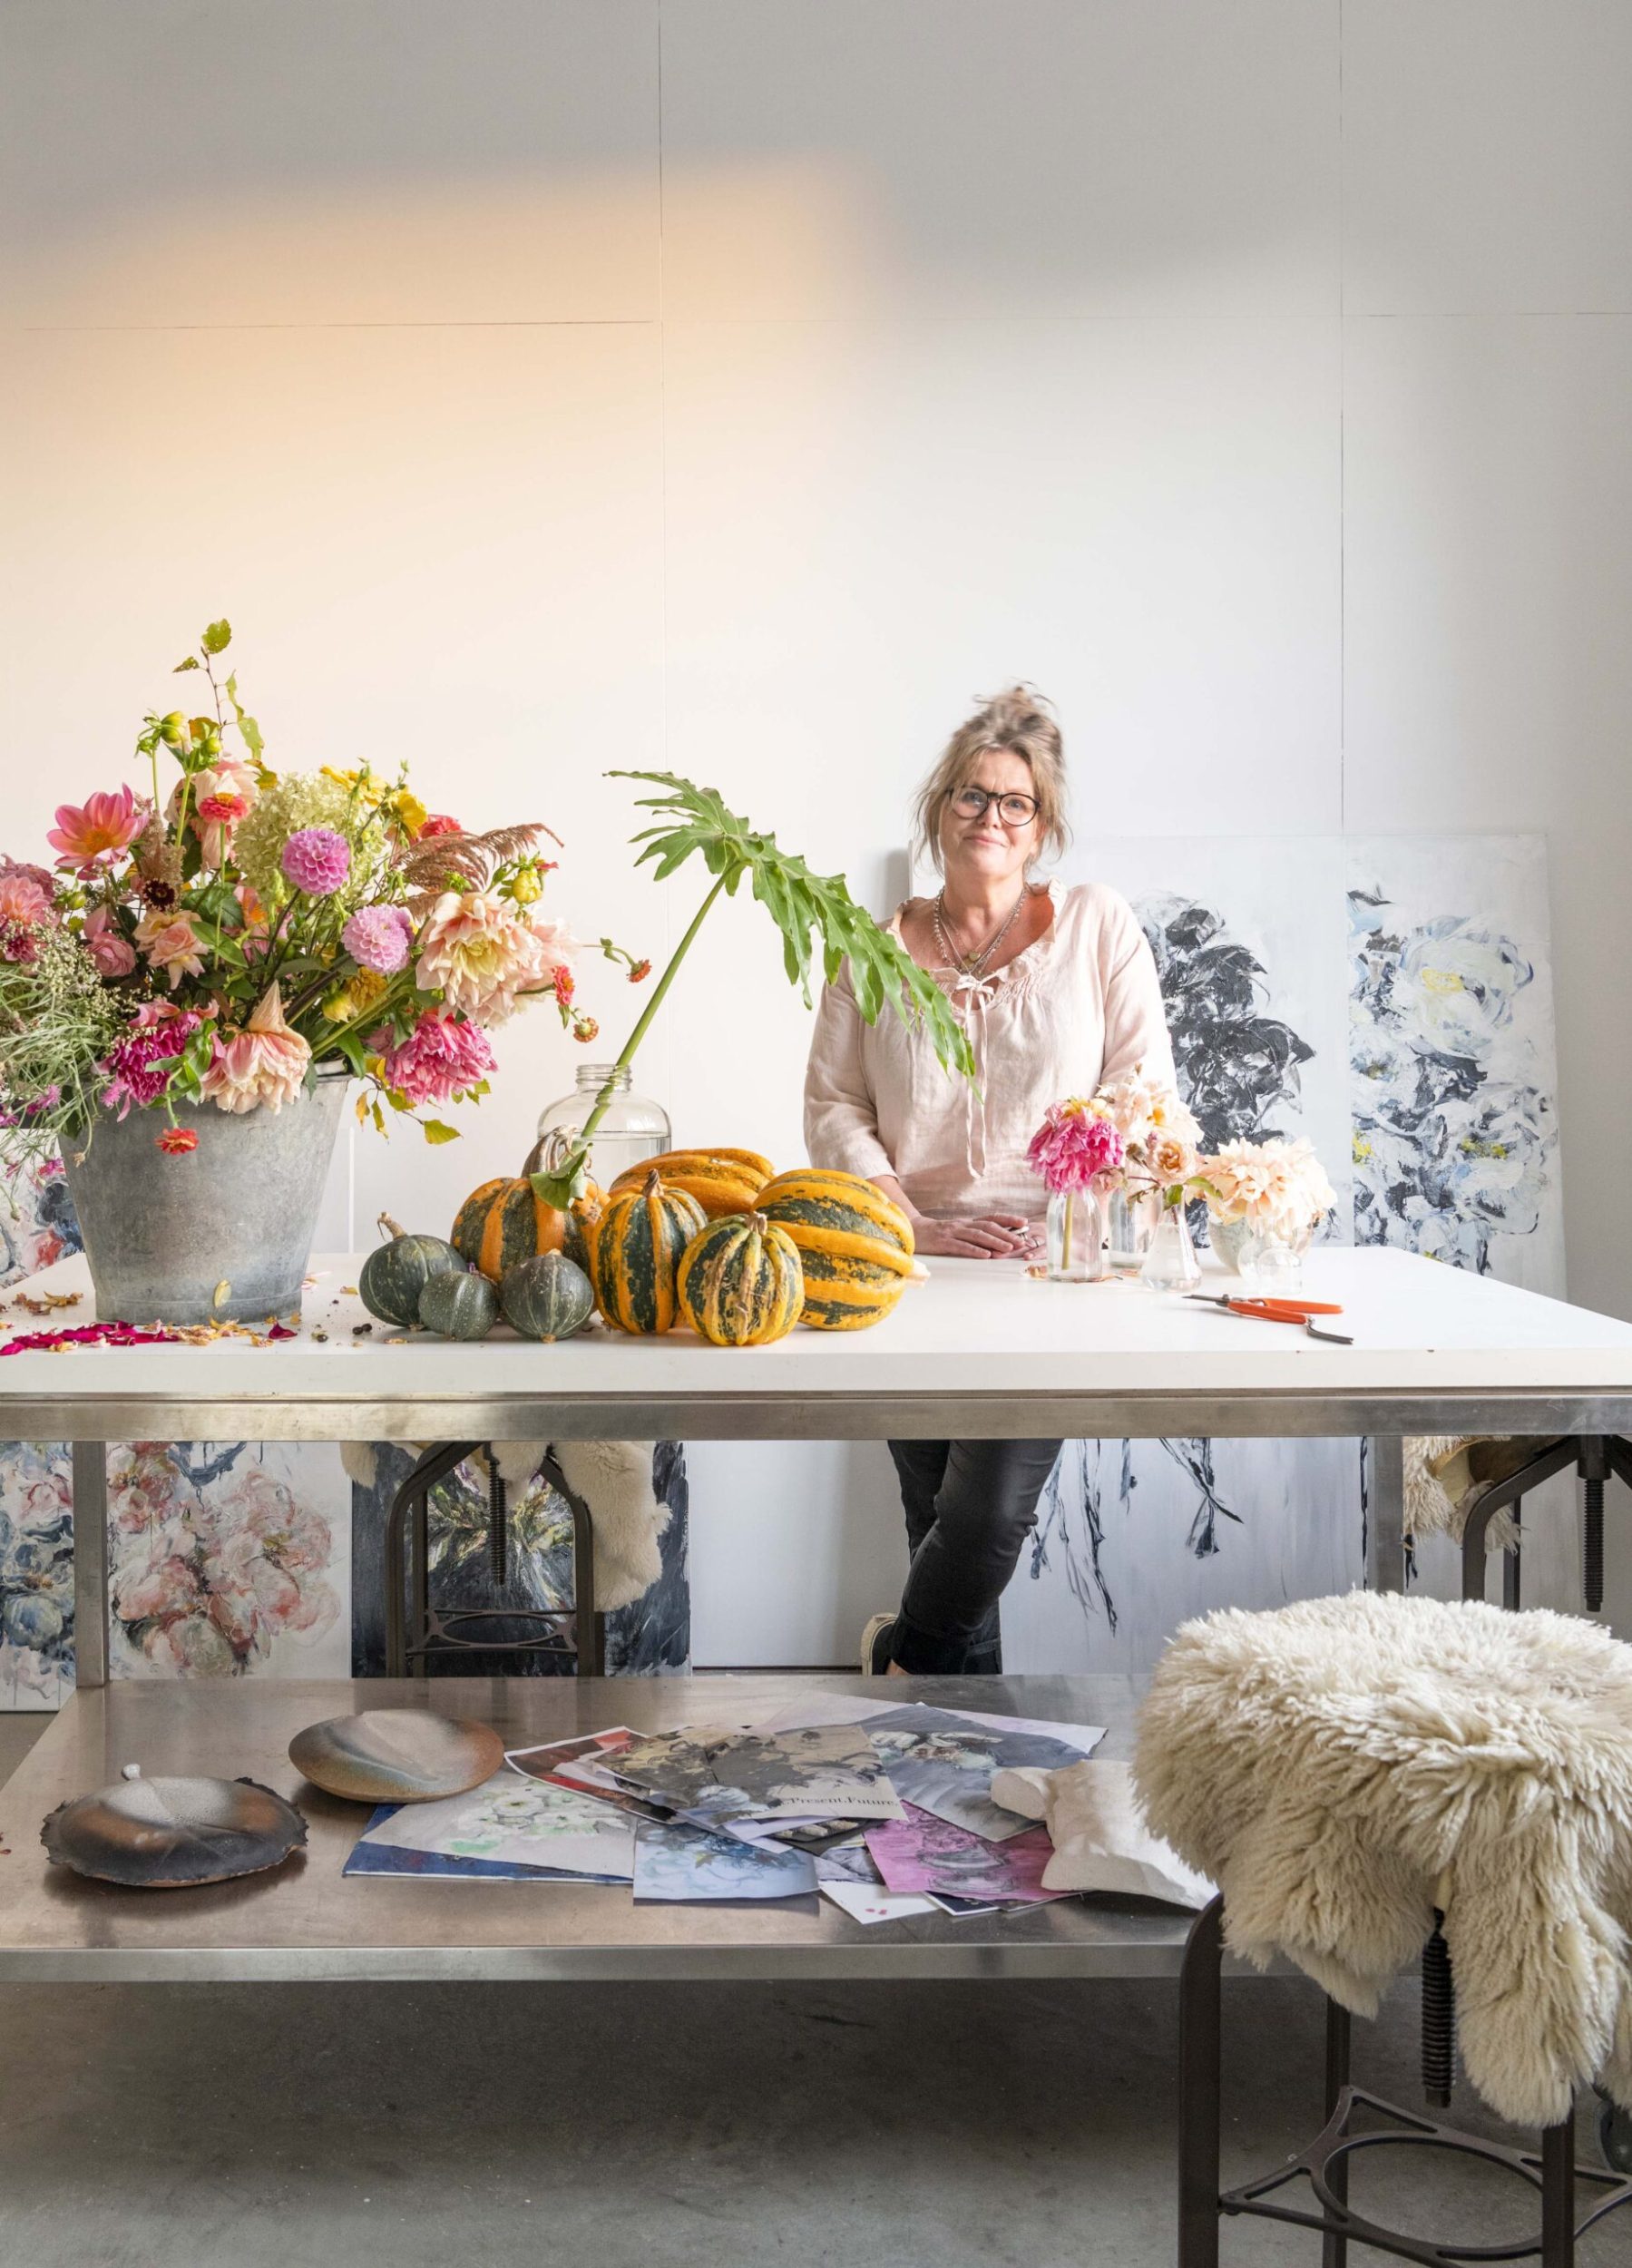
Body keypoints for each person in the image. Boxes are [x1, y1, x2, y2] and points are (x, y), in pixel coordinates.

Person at [803, 684, 1176, 1676]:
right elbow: (832, 1105)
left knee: (985, 1518)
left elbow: (1141, 1085)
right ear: (938, 811)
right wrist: (905, 1220)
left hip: (1047, 1275)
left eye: (1014, 802)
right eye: (970, 797)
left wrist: (1079, 1184)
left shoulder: (1096, 927)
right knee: (935, 1521)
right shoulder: (868, 948)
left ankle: (904, 1654)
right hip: (909, 1270)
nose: (990, 818)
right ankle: (963, 1775)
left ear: (1041, 825)